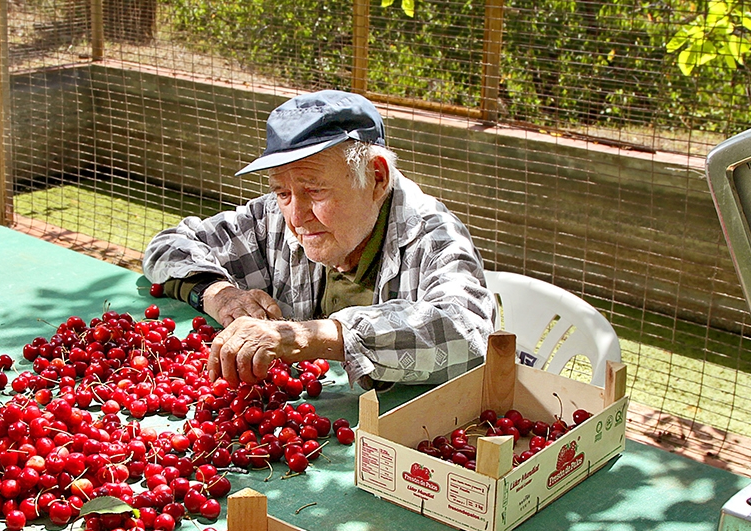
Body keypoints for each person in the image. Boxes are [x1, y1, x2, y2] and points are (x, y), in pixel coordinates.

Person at [145, 90, 493, 389]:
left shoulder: (434, 237)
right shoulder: (274, 216)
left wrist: (303, 339)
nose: (296, 218)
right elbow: (169, 245)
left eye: (315, 190)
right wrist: (222, 296)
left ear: (376, 178)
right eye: (282, 192)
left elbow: (469, 332)